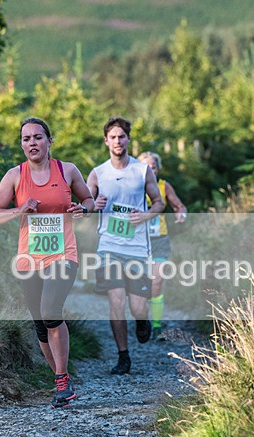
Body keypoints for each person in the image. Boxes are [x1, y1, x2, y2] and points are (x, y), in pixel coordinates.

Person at [0, 117, 95, 408]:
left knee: (50, 311)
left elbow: (90, 200)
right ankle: (62, 380)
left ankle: (62, 380)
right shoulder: (14, 176)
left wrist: (82, 207)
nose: (31, 143)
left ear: (49, 141)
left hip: (63, 254)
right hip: (29, 259)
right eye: (26, 139)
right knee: (39, 324)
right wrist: (19, 210)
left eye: (37, 137)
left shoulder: (67, 170)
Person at [87, 117, 164, 375]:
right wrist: (94, 205)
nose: (118, 141)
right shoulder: (98, 173)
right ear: (106, 141)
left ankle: (143, 322)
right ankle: (123, 357)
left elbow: (159, 203)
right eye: (113, 137)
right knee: (116, 302)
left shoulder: (142, 170)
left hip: (137, 249)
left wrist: (145, 215)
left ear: (128, 139)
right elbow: (86, 204)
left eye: (122, 136)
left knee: (137, 307)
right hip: (108, 246)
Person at [137, 151, 187, 341]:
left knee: (157, 282)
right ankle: (142, 320)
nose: (150, 170)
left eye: (153, 167)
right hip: (137, 242)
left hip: (159, 240)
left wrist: (182, 213)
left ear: (157, 169)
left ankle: (157, 325)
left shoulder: (163, 186)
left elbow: (179, 206)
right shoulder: (132, 187)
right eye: (146, 167)